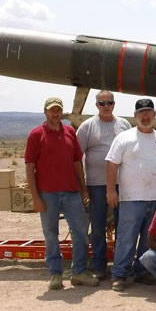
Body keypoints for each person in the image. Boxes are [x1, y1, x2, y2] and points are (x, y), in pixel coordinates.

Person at [25, 97, 100, 289]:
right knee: (51, 234)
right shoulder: (36, 135)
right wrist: (35, 198)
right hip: (47, 193)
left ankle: (79, 273)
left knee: (81, 231)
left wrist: (83, 189)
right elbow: (29, 167)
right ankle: (55, 274)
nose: (55, 114)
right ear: (45, 112)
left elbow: (77, 162)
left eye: (58, 110)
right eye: (52, 110)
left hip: (71, 192)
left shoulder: (69, 133)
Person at [106, 98, 156, 291]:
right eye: (141, 113)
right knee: (126, 239)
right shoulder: (124, 138)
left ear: (154, 115)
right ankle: (119, 274)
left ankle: (142, 272)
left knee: (148, 239)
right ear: (135, 116)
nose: (145, 116)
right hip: (131, 199)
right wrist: (111, 190)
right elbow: (112, 164)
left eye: (148, 113)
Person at [76, 90, 131, 280]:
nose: (106, 106)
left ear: (114, 104)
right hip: (97, 185)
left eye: (109, 102)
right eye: (102, 103)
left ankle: (121, 265)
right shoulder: (87, 127)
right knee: (98, 226)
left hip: (121, 184)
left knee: (124, 226)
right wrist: (83, 187)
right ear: (96, 105)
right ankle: (99, 265)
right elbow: (76, 157)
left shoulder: (124, 125)